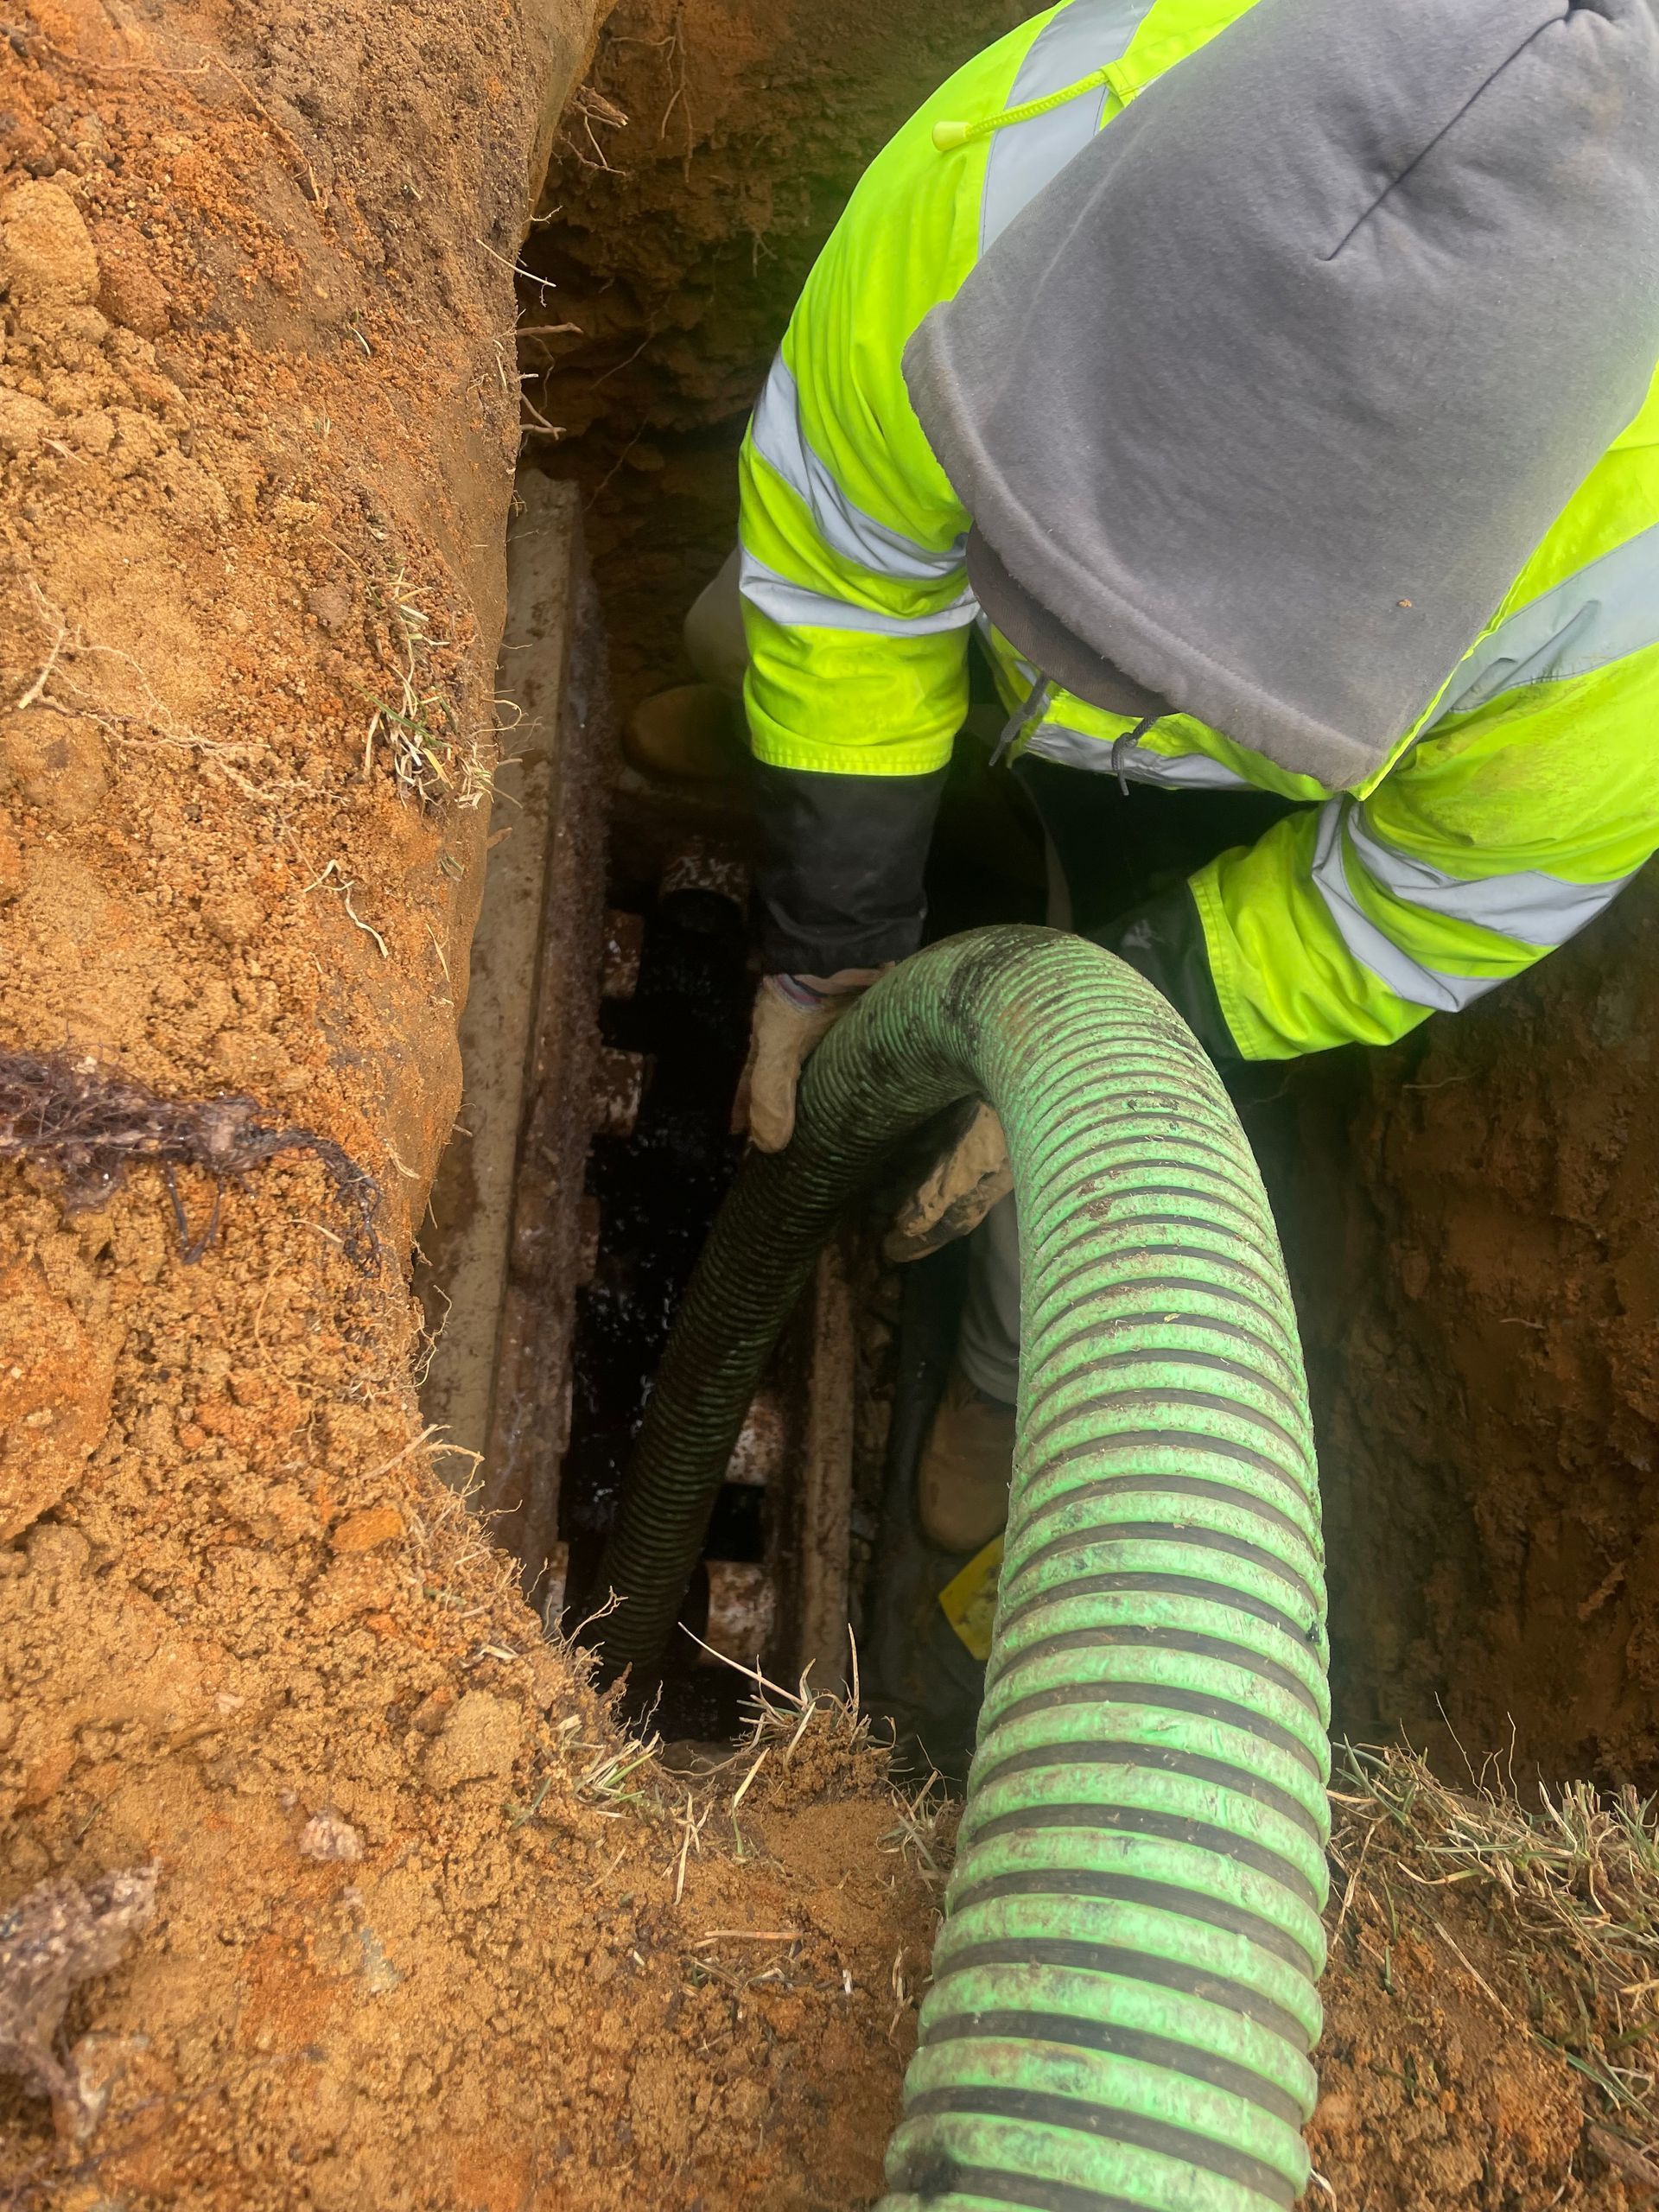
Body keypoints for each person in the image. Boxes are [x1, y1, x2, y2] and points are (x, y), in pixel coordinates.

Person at [642, 0, 1659, 1566]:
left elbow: (1419, 908)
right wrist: (831, 929)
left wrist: (1135, 1012)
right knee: (761, 634)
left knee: (1078, 1170)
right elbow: (843, 563)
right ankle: (839, 768)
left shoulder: (1616, 634)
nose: (1073, 661)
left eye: (1137, 643)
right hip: (978, 556)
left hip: (1251, 783)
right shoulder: (1010, 177)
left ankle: (996, 1390)